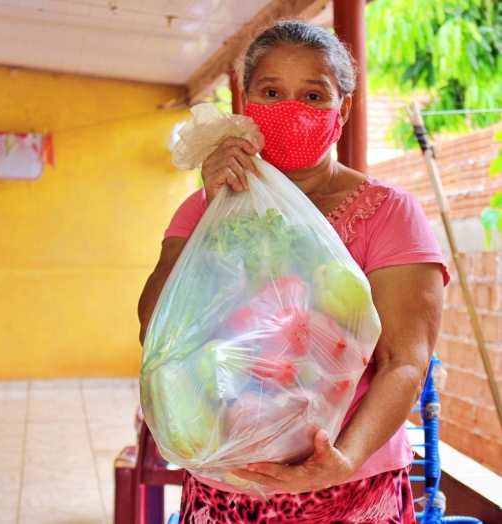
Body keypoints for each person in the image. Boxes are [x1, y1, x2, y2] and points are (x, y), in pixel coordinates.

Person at [138, 20, 449, 524]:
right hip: (225, 490)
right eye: (271, 91)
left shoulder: (390, 213)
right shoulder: (204, 209)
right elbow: (156, 331)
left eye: (313, 94)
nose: (292, 109)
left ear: (342, 109)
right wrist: (212, 216)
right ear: (247, 104)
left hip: (352, 488)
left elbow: (404, 362)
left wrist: (341, 461)